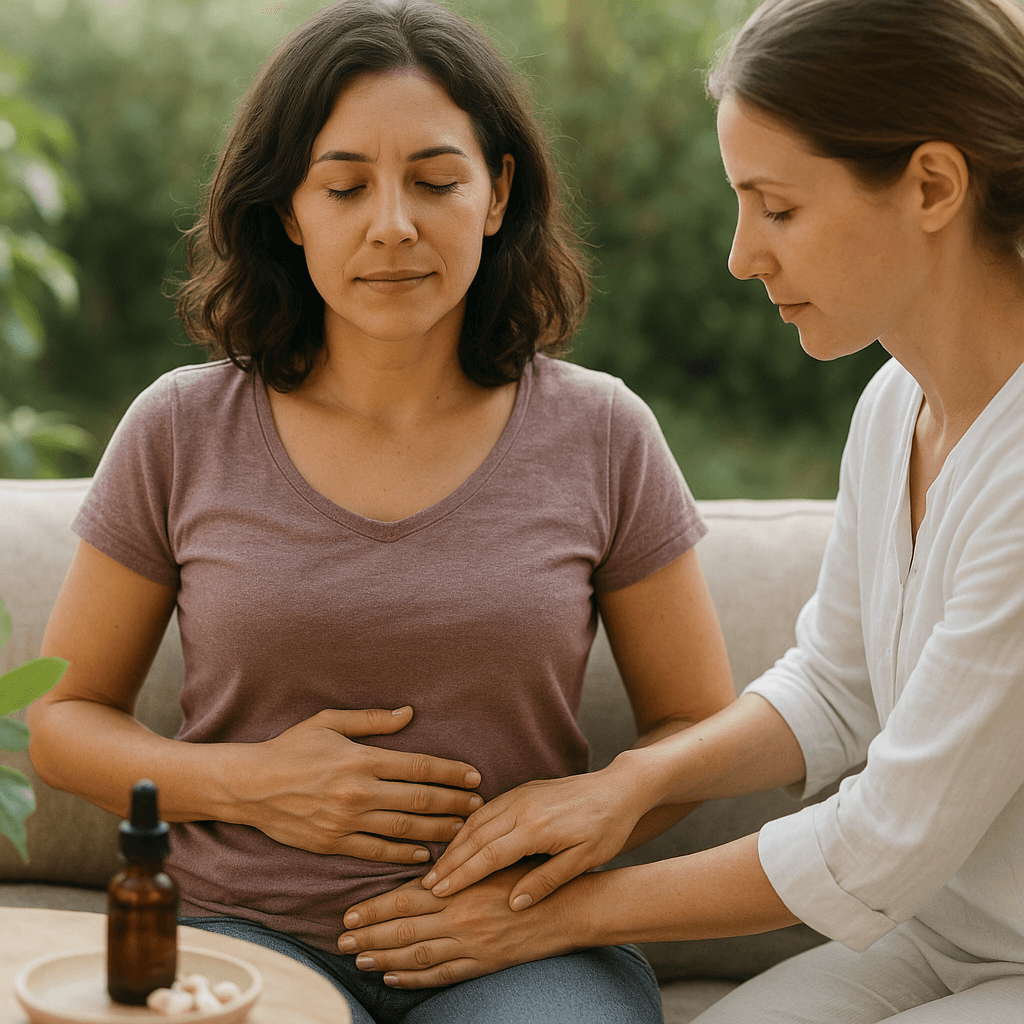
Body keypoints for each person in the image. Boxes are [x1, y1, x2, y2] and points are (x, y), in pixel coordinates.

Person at [27, 1, 736, 1022]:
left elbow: (699, 729)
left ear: (496, 194)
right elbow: (60, 723)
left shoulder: (601, 432)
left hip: (519, 948)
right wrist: (249, 784)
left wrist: (576, 825)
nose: (392, 224)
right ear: (288, 210)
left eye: (437, 182)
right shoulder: (180, 429)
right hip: (247, 934)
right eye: (345, 185)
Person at [333, 0, 1024, 1019]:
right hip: (937, 936)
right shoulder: (894, 405)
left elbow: (880, 840)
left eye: (776, 208)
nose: (743, 255)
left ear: (930, 184)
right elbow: (835, 690)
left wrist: (555, 916)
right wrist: (626, 786)